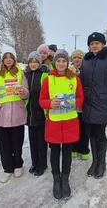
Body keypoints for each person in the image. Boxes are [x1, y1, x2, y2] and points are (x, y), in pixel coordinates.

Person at [39, 49, 84, 200]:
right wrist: (50, 103)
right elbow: (42, 100)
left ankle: (65, 179)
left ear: (67, 62)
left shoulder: (74, 79)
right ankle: (56, 179)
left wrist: (74, 103)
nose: (61, 63)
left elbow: (80, 97)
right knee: (55, 152)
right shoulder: (48, 80)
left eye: (64, 61)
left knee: (67, 152)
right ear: (54, 62)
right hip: (54, 122)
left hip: (70, 121)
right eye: (58, 61)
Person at [79, 32, 107, 179]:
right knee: (91, 133)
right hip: (88, 104)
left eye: (97, 43)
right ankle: (94, 162)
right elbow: (81, 82)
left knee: (100, 134)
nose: (94, 45)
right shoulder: (86, 60)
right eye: (91, 44)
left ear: (103, 44)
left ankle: (102, 163)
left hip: (103, 104)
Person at [0, 52, 29, 183]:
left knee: (17, 142)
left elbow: (26, 93)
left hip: (17, 113)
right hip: (2, 115)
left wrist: (23, 91)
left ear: (14, 60)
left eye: (11, 58)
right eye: (6, 58)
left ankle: (18, 164)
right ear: (3, 61)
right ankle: (7, 168)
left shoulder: (20, 74)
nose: (9, 60)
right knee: (4, 144)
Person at [24, 51, 49, 176]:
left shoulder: (45, 75)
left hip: (41, 113)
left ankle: (42, 164)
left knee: (41, 141)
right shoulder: (25, 76)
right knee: (32, 140)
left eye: (36, 62)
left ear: (40, 63)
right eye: (31, 62)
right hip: (30, 113)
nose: (33, 64)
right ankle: (34, 163)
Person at [70, 49, 90, 160]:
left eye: (79, 57)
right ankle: (74, 148)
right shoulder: (68, 70)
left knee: (84, 129)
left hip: (84, 105)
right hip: (72, 105)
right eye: (74, 57)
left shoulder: (87, 70)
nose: (77, 59)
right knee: (73, 128)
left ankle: (84, 150)